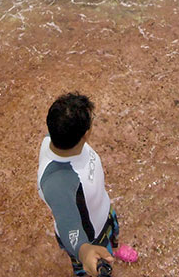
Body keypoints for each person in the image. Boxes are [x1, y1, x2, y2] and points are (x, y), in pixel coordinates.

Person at [37, 93, 139, 276]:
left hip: (102, 210)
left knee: (113, 234)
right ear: (86, 134)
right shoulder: (57, 183)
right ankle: (105, 253)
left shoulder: (56, 138)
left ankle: (114, 249)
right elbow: (68, 223)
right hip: (90, 237)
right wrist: (85, 252)